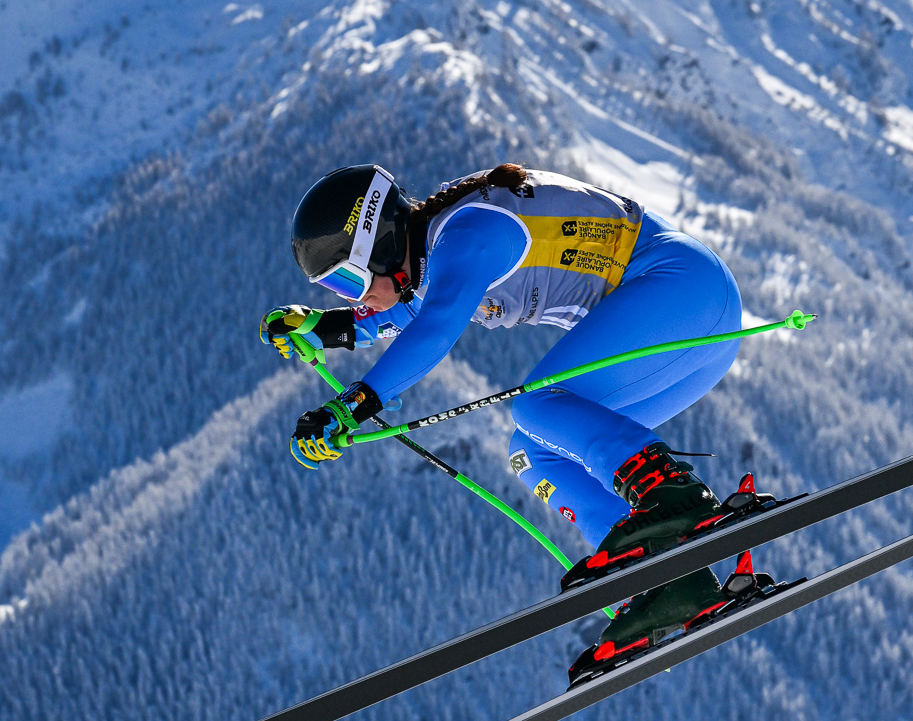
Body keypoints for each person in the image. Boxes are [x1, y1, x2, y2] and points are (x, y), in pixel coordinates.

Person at [261, 162, 769, 658]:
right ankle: (666, 584)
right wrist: (322, 327)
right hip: (693, 333)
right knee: (533, 452)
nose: (358, 298)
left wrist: (351, 407)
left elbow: (435, 326)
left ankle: (675, 499)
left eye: (350, 282)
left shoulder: (468, 232)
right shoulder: (435, 256)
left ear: (383, 245)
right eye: (336, 289)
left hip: (683, 288)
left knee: (535, 403)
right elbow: (403, 314)